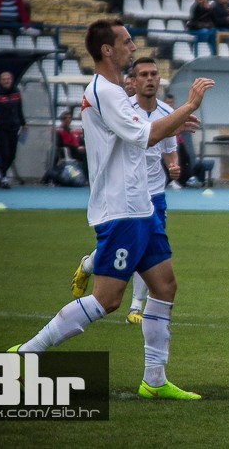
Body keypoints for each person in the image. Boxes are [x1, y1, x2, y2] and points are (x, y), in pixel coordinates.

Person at [16, 19, 215, 402]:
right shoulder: (104, 92)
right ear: (107, 50)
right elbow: (147, 135)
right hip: (121, 210)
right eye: (125, 41)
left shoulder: (116, 93)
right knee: (108, 300)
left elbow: (150, 129)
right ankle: (30, 352)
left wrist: (175, 120)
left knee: (165, 285)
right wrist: (188, 104)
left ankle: (154, 381)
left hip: (142, 208)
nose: (131, 46)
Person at [71, 57, 182, 322]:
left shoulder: (168, 113)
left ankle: (136, 306)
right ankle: (89, 265)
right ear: (133, 80)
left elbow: (169, 152)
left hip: (154, 194)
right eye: (143, 74)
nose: (150, 79)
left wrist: (174, 167)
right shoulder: (123, 107)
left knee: (153, 256)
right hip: (125, 194)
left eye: (154, 74)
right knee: (131, 250)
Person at [0, 72, 25, 189]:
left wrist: (23, 123)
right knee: (4, 152)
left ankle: (0, 172)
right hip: (1, 127)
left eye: (8, 79)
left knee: (12, 154)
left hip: (14, 127)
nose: (6, 81)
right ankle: (4, 177)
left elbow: (19, 109)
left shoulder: (16, 92)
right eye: (4, 79)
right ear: (0, 81)